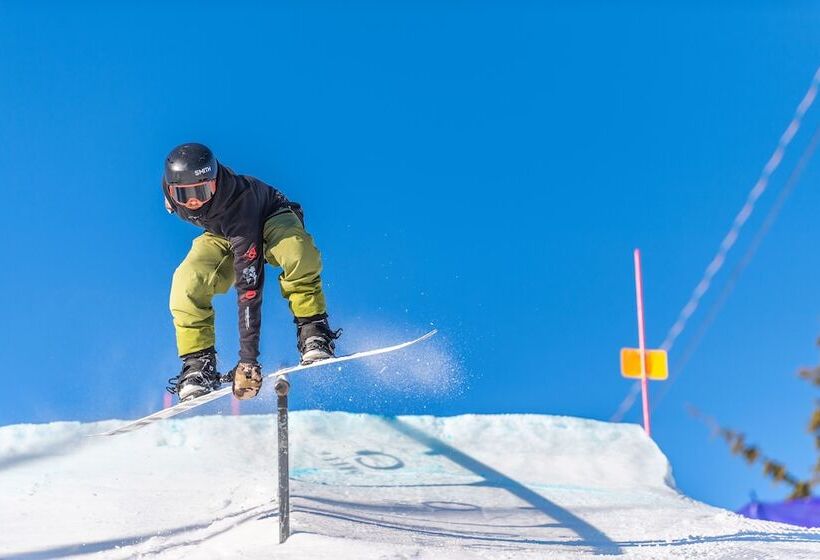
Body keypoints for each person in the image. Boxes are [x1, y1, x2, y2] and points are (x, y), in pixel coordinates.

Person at [162, 143, 340, 401]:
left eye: (202, 191)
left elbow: (249, 290)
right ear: (170, 189)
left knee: (296, 252)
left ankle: (313, 329)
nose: (194, 201)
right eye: (184, 194)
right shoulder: (170, 195)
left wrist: (248, 361)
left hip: (269, 218)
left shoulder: (237, 204)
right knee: (187, 282)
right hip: (223, 234)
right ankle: (199, 364)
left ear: (214, 182)